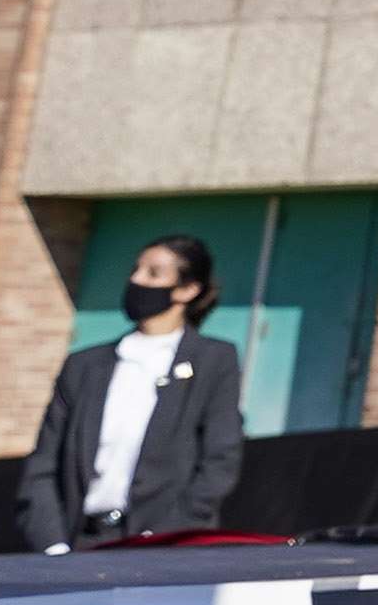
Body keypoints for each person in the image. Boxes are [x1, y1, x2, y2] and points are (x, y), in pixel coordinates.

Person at [16, 233, 242, 551]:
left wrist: (168, 535)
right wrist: (53, 545)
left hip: (165, 550)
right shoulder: (84, 366)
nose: (136, 280)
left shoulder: (213, 360)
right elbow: (43, 465)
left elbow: (220, 460)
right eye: (135, 270)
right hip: (81, 544)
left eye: (153, 273)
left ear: (188, 290)